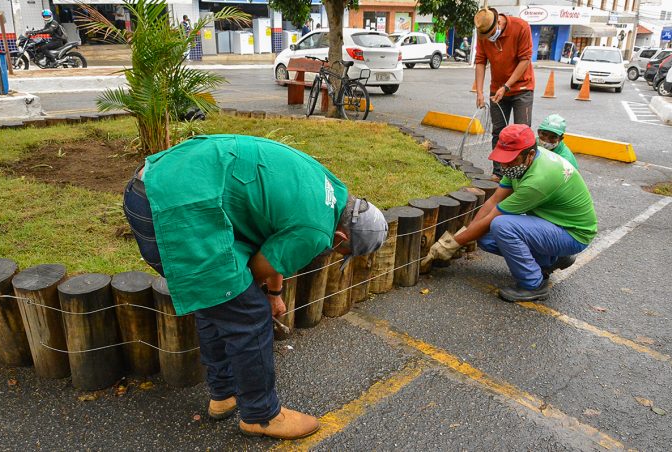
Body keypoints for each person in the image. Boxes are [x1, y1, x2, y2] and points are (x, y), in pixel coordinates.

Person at [122, 135, 388, 439]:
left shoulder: (330, 187)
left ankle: (223, 395)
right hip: (173, 208)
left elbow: (271, 248)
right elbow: (257, 269)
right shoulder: (317, 231)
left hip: (156, 183)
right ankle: (261, 416)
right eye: (341, 253)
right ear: (341, 238)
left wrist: (275, 294)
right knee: (246, 313)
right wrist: (262, 302)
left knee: (217, 300)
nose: (332, 253)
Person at [422, 124, 597, 302]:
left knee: (501, 226)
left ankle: (533, 284)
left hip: (573, 233)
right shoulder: (520, 164)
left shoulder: (538, 180)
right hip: (551, 224)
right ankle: (549, 261)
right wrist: (467, 232)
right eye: (502, 159)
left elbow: (494, 217)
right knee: (485, 236)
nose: (504, 165)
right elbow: (494, 201)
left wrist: (451, 244)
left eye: (510, 160)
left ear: (529, 155)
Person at [473, 7, 535, 182]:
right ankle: (499, 173)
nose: (488, 39)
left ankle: (523, 175)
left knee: (522, 133)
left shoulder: (521, 27)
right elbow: (480, 61)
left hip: (522, 88)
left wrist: (506, 87)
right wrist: (479, 92)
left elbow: (525, 59)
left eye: (491, 34)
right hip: (497, 89)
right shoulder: (483, 32)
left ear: (498, 22)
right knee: (499, 132)